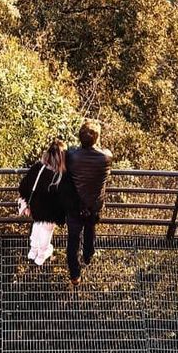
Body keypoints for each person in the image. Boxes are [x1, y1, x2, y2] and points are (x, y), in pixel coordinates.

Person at [63, 120, 112, 285]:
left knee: (73, 239)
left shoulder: (71, 155)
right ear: (97, 139)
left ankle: (75, 275)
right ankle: (88, 255)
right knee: (90, 229)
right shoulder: (106, 157)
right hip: (94, 206)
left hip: (75, 207)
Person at [18, 139, 67, 266]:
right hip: (51, 210)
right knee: (46, 231)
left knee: (37, 225)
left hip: (36, 206)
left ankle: (32, 250)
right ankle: (41, 255)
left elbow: (24, 185)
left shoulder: (39, 167)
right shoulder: (60, 175)